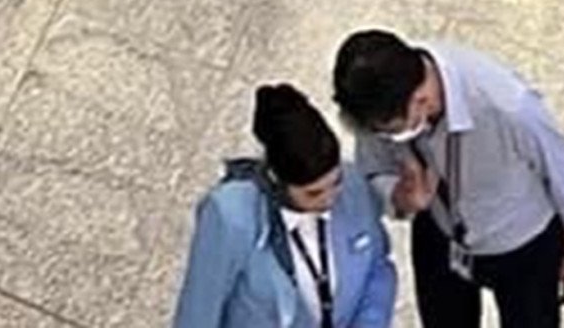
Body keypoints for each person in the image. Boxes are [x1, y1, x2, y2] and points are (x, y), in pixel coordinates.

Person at [326, 29, 564, 328]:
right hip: (440, 231)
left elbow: (563, 172)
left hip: (521, 244)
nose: (387, 138)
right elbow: (374, 168)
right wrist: (400, 197)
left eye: (393, 130)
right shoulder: (380, 100)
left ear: (422, 100)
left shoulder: (506, 106)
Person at [167, 83, 400, 328]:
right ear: (276, 180)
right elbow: (199, 313)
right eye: (314, 193)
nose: (330, 199)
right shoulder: (229, 215)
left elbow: (378, 267)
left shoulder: (353, 185)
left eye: (336, 182)